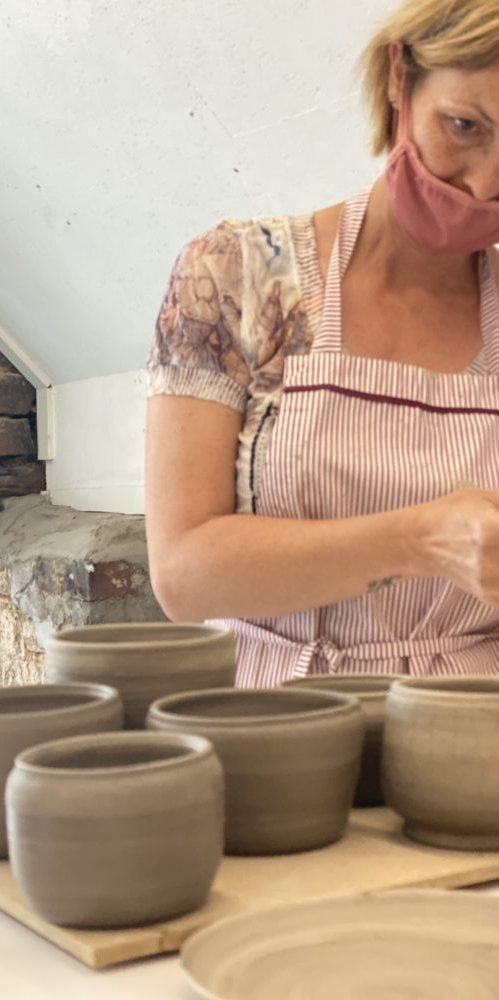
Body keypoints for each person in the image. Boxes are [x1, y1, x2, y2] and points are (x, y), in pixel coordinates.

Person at [146, 0, 499, 687]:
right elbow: (184, 577)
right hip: (275, 717)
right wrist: (418, 540)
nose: (484, 184)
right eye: (464, 126)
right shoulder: (235, 277)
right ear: (400, 78)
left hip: (474, 719)